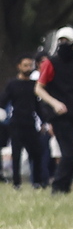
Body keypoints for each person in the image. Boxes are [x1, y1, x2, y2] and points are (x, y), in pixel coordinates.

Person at [36, 26, 73, 193]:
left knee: (72, 155)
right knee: (69, 155)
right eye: (61, 41)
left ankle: (64, 187)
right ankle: (58, 187)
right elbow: (39, 88)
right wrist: (54, 104)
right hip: (58, 115)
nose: (64, 44)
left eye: (67, 41)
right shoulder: (50, 63)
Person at [6, 55, 48, 187]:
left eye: (30, 65)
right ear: (19, 66)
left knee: (36, 152)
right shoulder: (12, 84)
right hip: (16, 123)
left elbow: (38, 106)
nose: (28, 68)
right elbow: (3, 101)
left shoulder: (34, 85)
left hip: (30, 122)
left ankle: (36, 181)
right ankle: (16, 182)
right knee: (16, 154)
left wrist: (43, 121)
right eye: (25, 65)